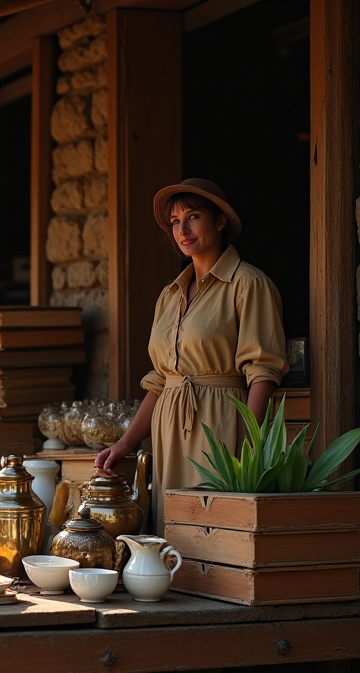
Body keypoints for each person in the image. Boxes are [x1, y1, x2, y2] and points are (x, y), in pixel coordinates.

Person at [96, 179, 288, 532]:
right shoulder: (169, 295)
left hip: (219, 422)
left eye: (193, 216)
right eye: (174, 221)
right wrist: (125, 442)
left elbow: (263, 372)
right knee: (171, 533)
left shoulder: (248, 284)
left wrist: (248, 449)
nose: (182, 229)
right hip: (169, 428)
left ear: (219, 222)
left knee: (211, 532)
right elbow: (159, 380)